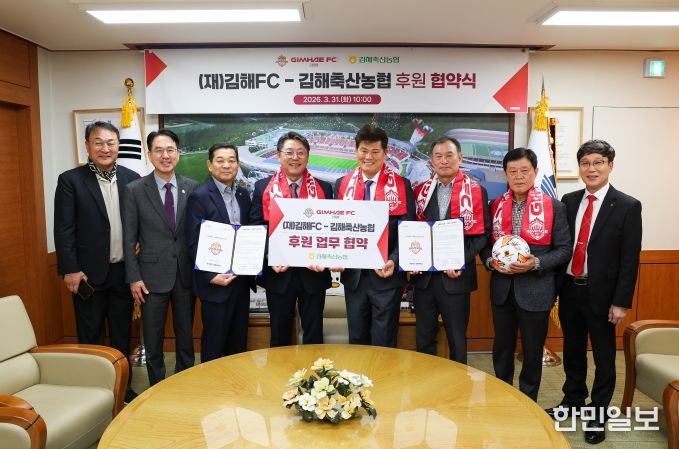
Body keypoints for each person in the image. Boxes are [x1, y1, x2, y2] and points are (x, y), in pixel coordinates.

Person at [546, 140, 642, 445]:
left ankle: (598, 412)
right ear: (580, 167)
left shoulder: (627, 206)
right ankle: (573, 399)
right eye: (586, 163)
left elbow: (629, 260)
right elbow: (562, 246)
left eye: (598, 162)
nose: (591, 169)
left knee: (604, 356)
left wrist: (621, 303)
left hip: (603, 295)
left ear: (610, 165)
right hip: (569, 289)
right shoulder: (569, 200)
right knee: (572, 350)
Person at [54, 121, 140, 402]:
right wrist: (70, 269)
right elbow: (63, 229)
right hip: (87, 275)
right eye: (98, 142)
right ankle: (94, 393)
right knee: (90, 336)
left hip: (122, 272)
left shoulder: (131, 178)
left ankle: (122, 388)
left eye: (111, 143)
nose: (105, 148)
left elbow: (140, 220)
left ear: (118, 146)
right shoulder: (71, 180)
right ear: (87, 146)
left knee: (121, 335)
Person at [480, 147, 571, 401]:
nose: (518, 176)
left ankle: (528, 401)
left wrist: (536, 263)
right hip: (502, 289)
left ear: (535, 172)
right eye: (513, 171)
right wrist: (490, 261)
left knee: (532, 350)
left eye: (524, 170)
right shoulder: (495, 205)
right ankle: (503, 395)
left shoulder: (554, 207)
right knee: (502, 346)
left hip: (536, 290)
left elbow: (564, 249)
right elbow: (485, 244)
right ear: (505, 174)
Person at [122, 129, 198, 386]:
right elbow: (129, 238)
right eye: (159, 150)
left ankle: (185, 381)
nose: (165, 155)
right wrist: (134, 278)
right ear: (149, 154)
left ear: (178, 153)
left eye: (170, 150)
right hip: (150, 277)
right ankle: (157, 385)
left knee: (185, 335)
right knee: (153, 338)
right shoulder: (134, 190)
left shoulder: (192, 187)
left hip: (185, 274)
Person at [409, 136, 490, 363]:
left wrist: (460, 260)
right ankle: (428, 381)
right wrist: (411, 260)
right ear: (431, 161)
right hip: (424, 280)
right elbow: (412, 231)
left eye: (449, 155)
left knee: (457, 340)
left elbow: (483, 235)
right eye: (438, 156)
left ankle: (458, 383)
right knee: (424, 338)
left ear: (460, 158)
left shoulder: (476, 191)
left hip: (456, 279)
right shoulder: (420, 191)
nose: (444, 161)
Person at [334, 125, 415, 347]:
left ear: (385, 153)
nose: (368, 157)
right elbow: (336, 227)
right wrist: (335, 256)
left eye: (375, 151)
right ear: (356, 151)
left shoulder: (402, 185)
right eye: (363, 151)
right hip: (355, 278)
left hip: (386, 276)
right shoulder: (342, 184)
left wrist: (394, 260)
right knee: (357, 339)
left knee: (384, 341)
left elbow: (408, 230)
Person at [250, 132, 333, 346]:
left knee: (314, 335)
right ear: (279, 155)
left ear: (307, 156)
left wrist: (325, 256)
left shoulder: (324, 188)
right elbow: (257, 227)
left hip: (313, 274)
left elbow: (330, 228)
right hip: (279, 274)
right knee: (279, 335)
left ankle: (316, 370)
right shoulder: (262, 187)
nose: (295, 158)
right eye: (289, 152)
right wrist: (271, 255)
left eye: (300, 153)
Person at [186, 144, 253, 362]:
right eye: (220, 160)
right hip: (216, 285)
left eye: (231, 160)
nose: (226, 165)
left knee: (238, 346)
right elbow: (192, 241)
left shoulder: (243, 194)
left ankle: (236, 384)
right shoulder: (199, 196)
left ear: (237, 164)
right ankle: (210, 384)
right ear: (210, 165)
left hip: (240, 283)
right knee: (214, 346)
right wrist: (210, 276)